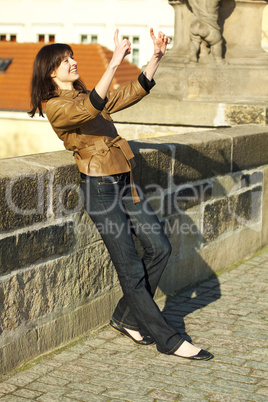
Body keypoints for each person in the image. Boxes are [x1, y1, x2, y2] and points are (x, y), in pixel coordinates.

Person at [29, 28, 212, 360]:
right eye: (64, 60)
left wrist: (155, 58)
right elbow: (91, 107)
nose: (71, 62)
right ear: (50, 72)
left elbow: (127, 94)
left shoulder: (84, 94)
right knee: (129, 266)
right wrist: (113, 62)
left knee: (160, 247)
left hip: (124, 181)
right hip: (98, 187)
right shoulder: (55, 105)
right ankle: (168, 338)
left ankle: (125, 317)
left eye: (71, 56)